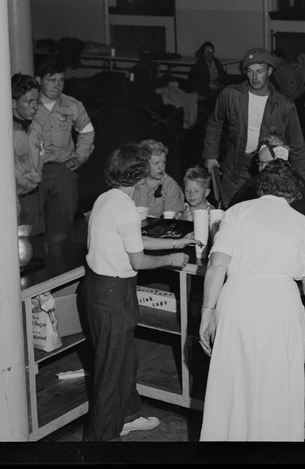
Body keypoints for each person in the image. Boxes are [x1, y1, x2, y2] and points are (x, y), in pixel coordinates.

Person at [198, 159, 305, 441]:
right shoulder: (301, 224)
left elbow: (216, 267)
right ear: (293, 194)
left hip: (236, 304)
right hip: (278, 309)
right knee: (275, 388)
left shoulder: (235, 213)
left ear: (261, 189)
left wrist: (207, 314)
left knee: (232, 385)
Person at [79, 143, 199, 441]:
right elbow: (139, 259)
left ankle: (128, 416)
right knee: (110, 371)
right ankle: (101, 440)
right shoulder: (125, 208)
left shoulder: (106, 200)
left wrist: (178, 242)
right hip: (112, 293)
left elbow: (136, 240)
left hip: (98, 289)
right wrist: (171, 260)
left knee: (124, 360)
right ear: (140, 175)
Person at [203, 47, 305, 207]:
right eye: (250, 71)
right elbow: (214, 124)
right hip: (235, 168)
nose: (254, 77)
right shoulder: (230, 95)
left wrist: (304, 188)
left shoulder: (284, 105)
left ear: (270, 71)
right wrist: (210, 155)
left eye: (259, 71)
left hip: (269, 170)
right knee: (231, 212)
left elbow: (297, 147)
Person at [32, 59, 95, 247]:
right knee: (34, 221)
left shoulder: (72, 105)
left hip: (62, 170)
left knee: (63, 222)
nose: (57, 85)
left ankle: (60, 264)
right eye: (51, 80)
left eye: (61, 80)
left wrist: (80, 157)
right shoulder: (29, 105)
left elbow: (87, 131)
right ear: (38, 80)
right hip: (34, 172)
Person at [226, 134, 305, 217]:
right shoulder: (252, 184)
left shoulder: (298, 188)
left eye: (269, 163)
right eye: (260, 163)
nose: (263, 168)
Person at [11, 73, 45, 238]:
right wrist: (34, 179)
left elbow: (41, 159)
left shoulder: (36, 128)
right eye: (28, 101)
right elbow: (13, 173)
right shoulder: (7, 133)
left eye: (36, 101)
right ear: (13, 103)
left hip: (35, 198)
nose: (35, 107)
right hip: (17, 200)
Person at [130, 139, 184, 219]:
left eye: (164, 162)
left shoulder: (171, 187)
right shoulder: (134, 181)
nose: (161, 167)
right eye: (157, 163)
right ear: (144, 164)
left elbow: (171, 222)